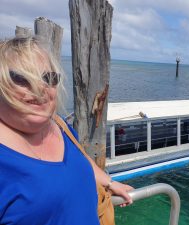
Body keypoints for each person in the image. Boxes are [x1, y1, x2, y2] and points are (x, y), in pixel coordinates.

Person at [0, 37, 133, 225]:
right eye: (22, 78)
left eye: (49, 78)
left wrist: (109, 183)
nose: (40, 88)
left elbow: (79, 157)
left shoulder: (59, 126)